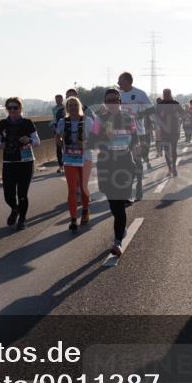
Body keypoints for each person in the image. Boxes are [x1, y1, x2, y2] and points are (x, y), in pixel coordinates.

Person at [88, 88, 141, 257]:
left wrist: (137, 150)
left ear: (119, 101)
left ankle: (117, 241)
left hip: (125, 163)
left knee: (118, 206)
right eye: (108, 100)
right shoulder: (99, 120)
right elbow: (91, 141)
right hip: (107, 164)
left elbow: (134, 138)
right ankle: (121, 228)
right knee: (114, 205)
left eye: (114, 99)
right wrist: (104, 137)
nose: (111, 103)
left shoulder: (128, 118)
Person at [0, 97, 41, 230]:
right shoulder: (2, 124)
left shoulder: (27, 123)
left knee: (22, 194)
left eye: (15, 107)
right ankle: (14, 209)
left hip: (25, 163)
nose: (12, 110)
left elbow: (37, 141)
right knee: (8, 195)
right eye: (9, 108)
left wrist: (29, 140)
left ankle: (22, 219)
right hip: (9, 162)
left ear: (21, 108)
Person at [56, 96, 90, 232]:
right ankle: (73, 219)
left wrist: (85, 143)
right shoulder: (62, 122)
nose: (73, 107)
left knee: (83, 187)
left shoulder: (88, 121)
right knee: (71, 189)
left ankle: (85, 210)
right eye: (70, 105)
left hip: (85, 158)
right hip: (69, 158)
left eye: (75, 105)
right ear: (67, 108)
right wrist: (58, 140)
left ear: (79, 106)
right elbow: (57, 136)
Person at [117, 72, 153, 197]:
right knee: (124, 162)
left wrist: (140, 115)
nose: (118, 83)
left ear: (127, 81)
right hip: (121, 134)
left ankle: (139, 185)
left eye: (120, 81)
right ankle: (129, 183)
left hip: (138, 132)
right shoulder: (118, 94)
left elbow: (152, 109)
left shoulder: (139, 94)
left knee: (137, 160)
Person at [156, 89, 184, 177]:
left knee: (173, 149)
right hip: (164, 130)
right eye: (165, 94)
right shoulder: (160, 105)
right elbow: (156, 116)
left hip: (174, 130)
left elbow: (182, 113)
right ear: (163, 94)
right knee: (167, 150)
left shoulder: (175, 103)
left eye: (167, 94)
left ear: (170, 94)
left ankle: (174, 167)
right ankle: (170, 168)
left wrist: (178, 117)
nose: (166, 95)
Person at [51, 94, 65, 174]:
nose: (58, 100)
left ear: (62, 99)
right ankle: (60, 166)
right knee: (58, 148)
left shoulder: (66, 107)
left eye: (59, 99)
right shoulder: (54, 109)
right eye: (56, 99)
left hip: (65, 128)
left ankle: (66, 164)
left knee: (65, 148)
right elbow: (55, 119)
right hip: (57, 129)